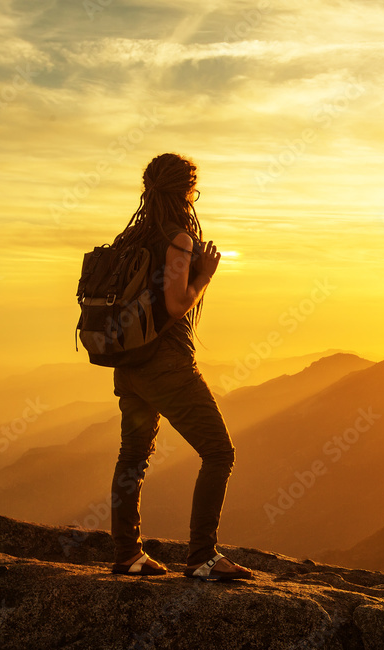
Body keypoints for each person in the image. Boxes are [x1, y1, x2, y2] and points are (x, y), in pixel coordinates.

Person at [108, 153, 252, 581]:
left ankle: (127, 555)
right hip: (164, 364)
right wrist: (204, 274)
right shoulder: (177, 240)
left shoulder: (131, 238)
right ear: (186, 191)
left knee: (132, 455)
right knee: (219, 451)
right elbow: (174, 304)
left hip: (129, 363)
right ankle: (203, 557)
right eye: (194, 188)